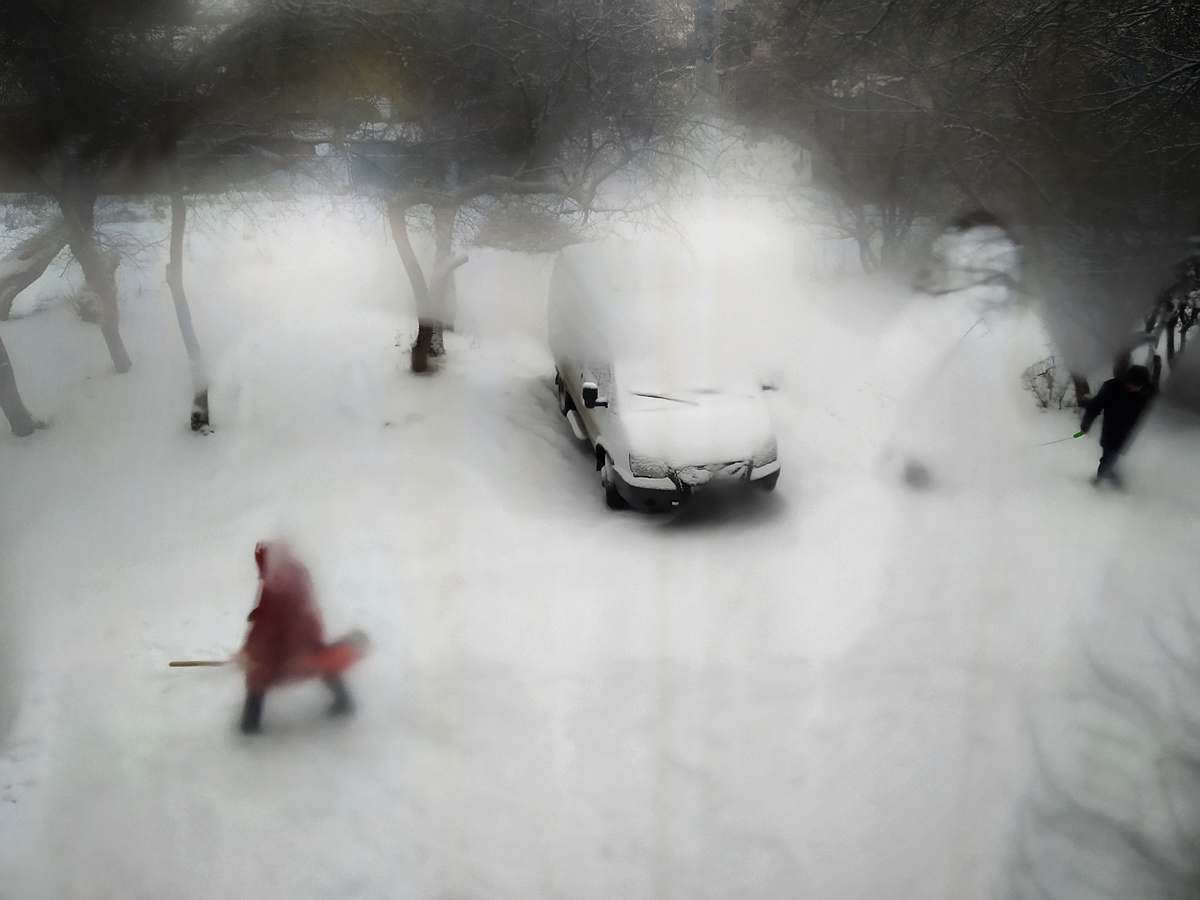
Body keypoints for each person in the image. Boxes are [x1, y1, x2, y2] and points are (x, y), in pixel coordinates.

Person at [237, 540, 358, 734]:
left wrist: (250, 651)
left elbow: (272, 621)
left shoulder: (279, 581)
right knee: (319, 661)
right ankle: (345, 701)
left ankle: (249, 726)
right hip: (303, 639)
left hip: (291, 645)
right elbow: (273, 614)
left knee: (258, 676)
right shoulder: (291, 572)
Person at [1079, 364, 1155, 487]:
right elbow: (1094, 406)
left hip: (1133, 433)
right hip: (1111, 429)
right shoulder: (1112, 388)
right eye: (1133, 384)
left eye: (1139, 385)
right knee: (1108, 455)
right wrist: (1085, 426)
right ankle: (1100, 483)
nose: (1135, 387)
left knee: (1119, 457)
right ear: (1128, 380)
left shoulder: (1149, 393)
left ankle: (1113, 476)